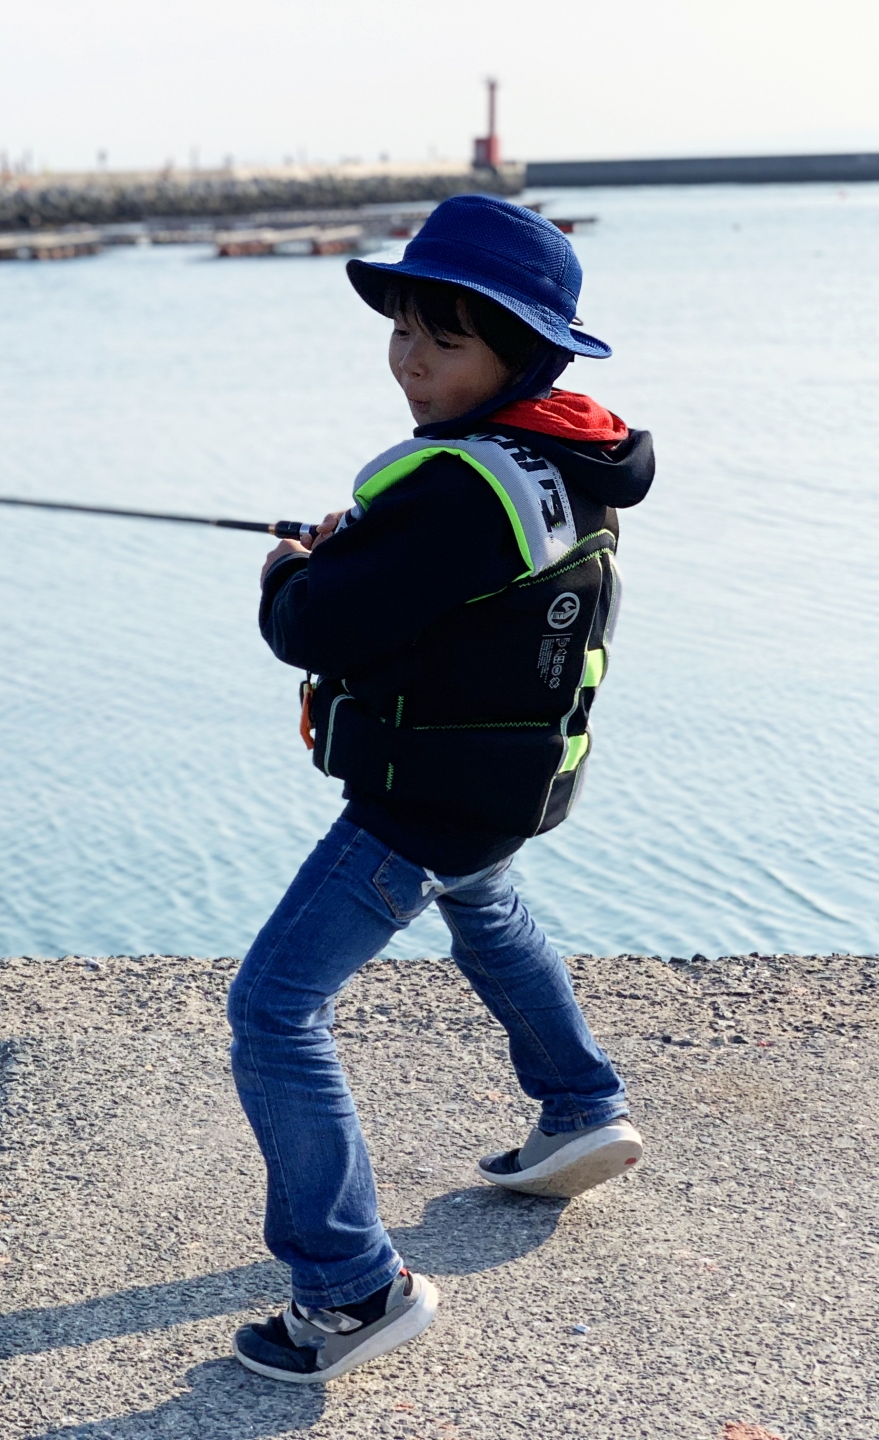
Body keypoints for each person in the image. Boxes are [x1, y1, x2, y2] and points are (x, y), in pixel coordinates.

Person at [227, 193, 656, 1384]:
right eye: (405, 326)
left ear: (519, 354)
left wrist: (289, 572)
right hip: (508, 780)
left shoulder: (458, 486)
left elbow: (315, 625)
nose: (410, 356)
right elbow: (447, 588)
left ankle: (351, 1289)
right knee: (485, 903)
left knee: (273, 1012)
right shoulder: (571, 456)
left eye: (446, 337)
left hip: (420, 795)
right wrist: (362, 550)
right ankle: (579, 1105)